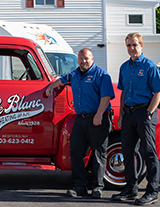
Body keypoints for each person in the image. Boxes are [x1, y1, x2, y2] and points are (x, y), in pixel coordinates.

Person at [46, 48, 114, 199]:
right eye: (81, 59)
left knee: (98, 154)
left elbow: (106, 96)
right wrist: (51, 86)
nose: (83, 61)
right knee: (76, 152)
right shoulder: (74, 74)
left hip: (97, 119)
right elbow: (62, 80)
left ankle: (97, 187)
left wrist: (99, 115)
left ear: (92, 59)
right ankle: (80, 186)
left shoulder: (101, 75)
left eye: (86, 58)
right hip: (80, 118)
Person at [111, 32, 160, 205]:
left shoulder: (149, 66)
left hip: (144, 113)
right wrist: (122, 115)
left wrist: (149, 112)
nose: (131, 48)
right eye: (128, 45)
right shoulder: (124, 67)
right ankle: (130, 189)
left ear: (141, 46)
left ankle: (152, 191)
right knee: (127, 152)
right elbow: (124, 92)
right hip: (129, 114)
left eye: (134, 45)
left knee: (149, 152)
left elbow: (158, 92)